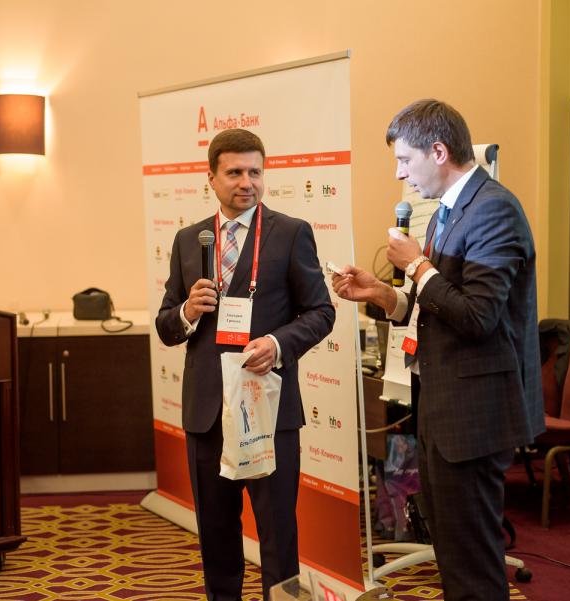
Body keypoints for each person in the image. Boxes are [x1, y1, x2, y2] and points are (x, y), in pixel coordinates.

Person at [332, 99, 544, 601]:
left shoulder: (493, 209)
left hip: (475, 417)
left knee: (472, 564)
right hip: (442, 409)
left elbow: (478, 316)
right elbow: (435, 308)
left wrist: (418, 266)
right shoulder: (446, 212)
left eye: (405, 160)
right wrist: (383, 295)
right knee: (452, 554)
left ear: (439, 151)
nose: (400, 174)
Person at [156, 128, 334, 600]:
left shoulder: (290, 233)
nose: (246, 182)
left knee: (278, 535)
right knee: (216, 536)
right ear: (211, 178)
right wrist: (186, 312)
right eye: (234, 172)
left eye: (255, 171)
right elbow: (166, 325)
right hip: (207, 414)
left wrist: (277, 343)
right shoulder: (188, 240)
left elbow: (321, 312)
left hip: (267, 409)